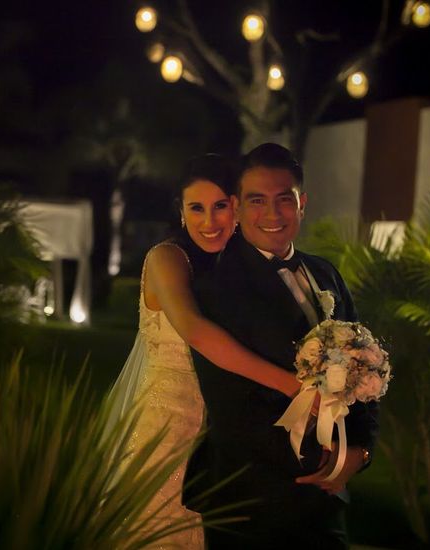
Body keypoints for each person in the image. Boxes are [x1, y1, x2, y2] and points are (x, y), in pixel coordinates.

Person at [184, 143, 380, 548]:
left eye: (284, 200)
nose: (272, 215)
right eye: (257, 201)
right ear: (237, 207)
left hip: (327, 505)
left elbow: (366, 369)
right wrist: (314, 461)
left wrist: (358, 454)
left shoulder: (327, 274)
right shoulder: (215, 289)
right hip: (251, 503)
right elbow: (230, 406)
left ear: (302, 203)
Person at [108, 154, 300, 549]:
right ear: (181, 212)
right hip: (166, 428)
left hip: (221, 437)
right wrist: (291, 386)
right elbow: (195, 331)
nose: (209, 222)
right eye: (196, 208)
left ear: (237, 207)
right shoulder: (167, 259)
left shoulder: (239, 268)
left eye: (220, 207)